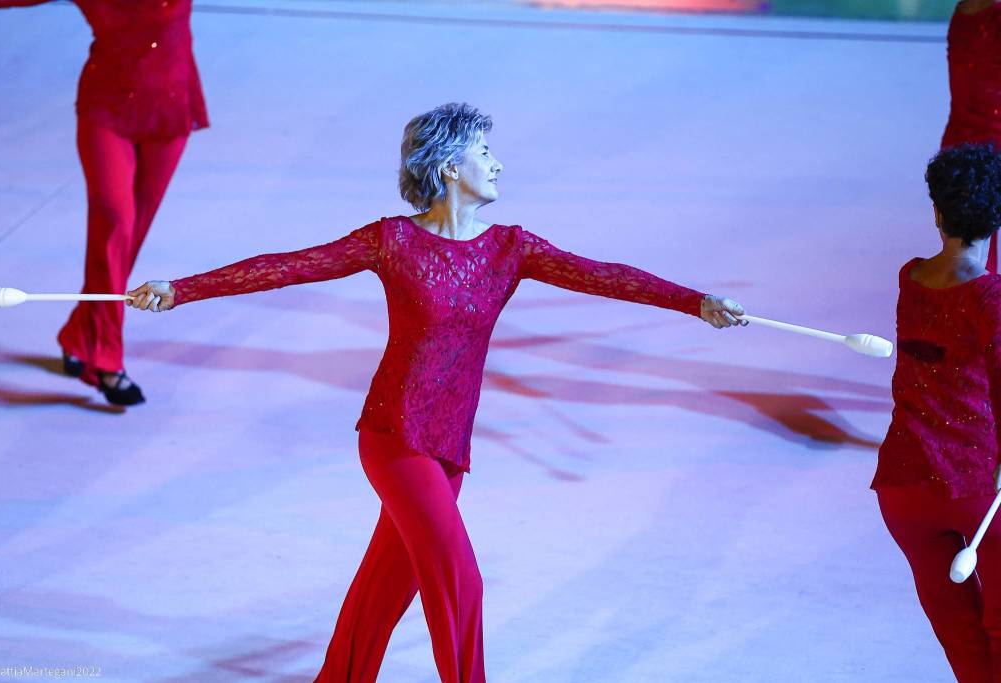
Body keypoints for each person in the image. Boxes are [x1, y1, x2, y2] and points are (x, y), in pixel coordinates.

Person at [127, 103, 745, 683]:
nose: (498, 163)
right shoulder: (392, 240)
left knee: (383, 590)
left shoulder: (510, 248)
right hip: (395, 438)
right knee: (460, 581)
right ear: (451, 166)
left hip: (449, 445)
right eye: (484, 150)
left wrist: (697, 302)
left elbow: (605, 276)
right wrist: (181, 288)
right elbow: (290, 265)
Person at [0, 0, 209, 404]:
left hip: (170, 111)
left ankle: (79, 334)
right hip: (107, 112)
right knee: (114, 224)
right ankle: (107, 359)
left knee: (127, 240)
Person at [873, 143, 1001, 683]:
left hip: (904, 490)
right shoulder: (989, 297)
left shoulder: (911, 278)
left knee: (962, 642)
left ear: (937, 212)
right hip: (978, 492)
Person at [942, 0, 1001, 272]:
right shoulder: (993, 15)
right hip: (988, 148)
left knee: (971, 260)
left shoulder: (963, 10)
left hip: (959, 148)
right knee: (971, 263)